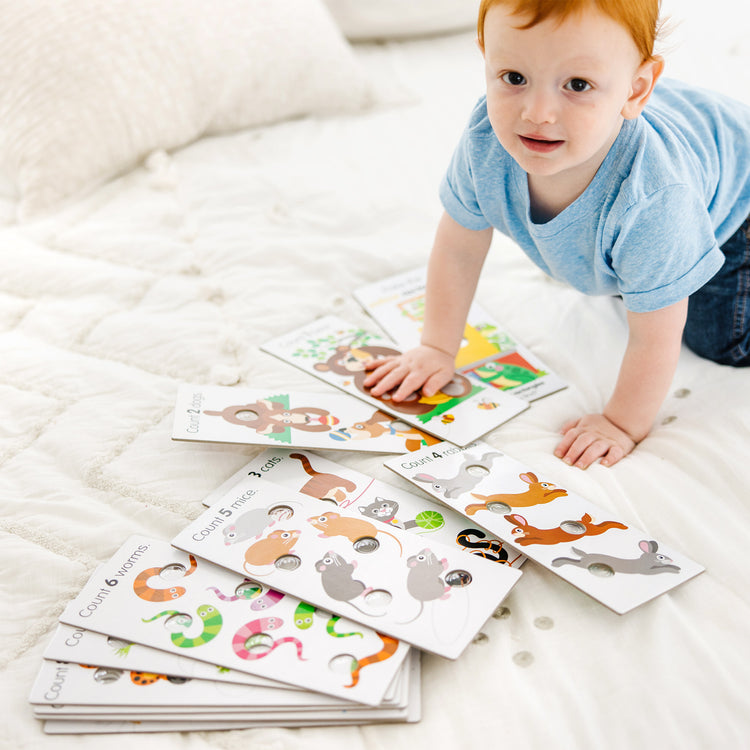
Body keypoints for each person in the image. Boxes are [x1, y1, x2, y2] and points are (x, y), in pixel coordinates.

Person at [363, 0, 750, 470]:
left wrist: (623, 423)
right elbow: (459, 245)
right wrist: (438, 347)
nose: (538, 113)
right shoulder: (486, 138)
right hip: (686, 141)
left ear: (637, 89)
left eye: (577, 85)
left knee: (720, 339)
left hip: (738, 203)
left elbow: (656, 335)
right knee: (633, 277)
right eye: (514, 77)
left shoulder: (655, 199)